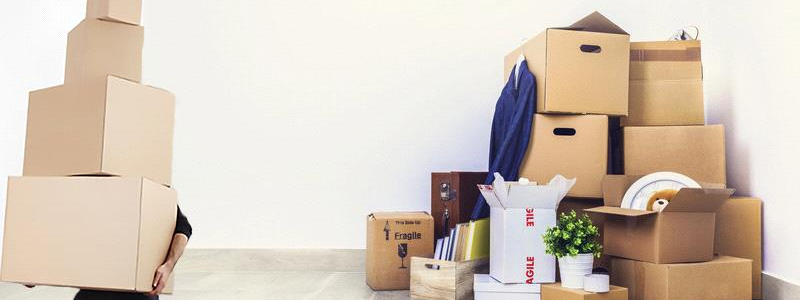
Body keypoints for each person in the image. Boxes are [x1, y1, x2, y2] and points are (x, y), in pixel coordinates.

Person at [25, 205, 192, 300]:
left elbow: (182, 227)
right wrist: (36, 268)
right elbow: (55, 226)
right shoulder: (78, 182)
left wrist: (168, 265)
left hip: (137, 295)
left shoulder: (149, 181)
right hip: (91, 294)